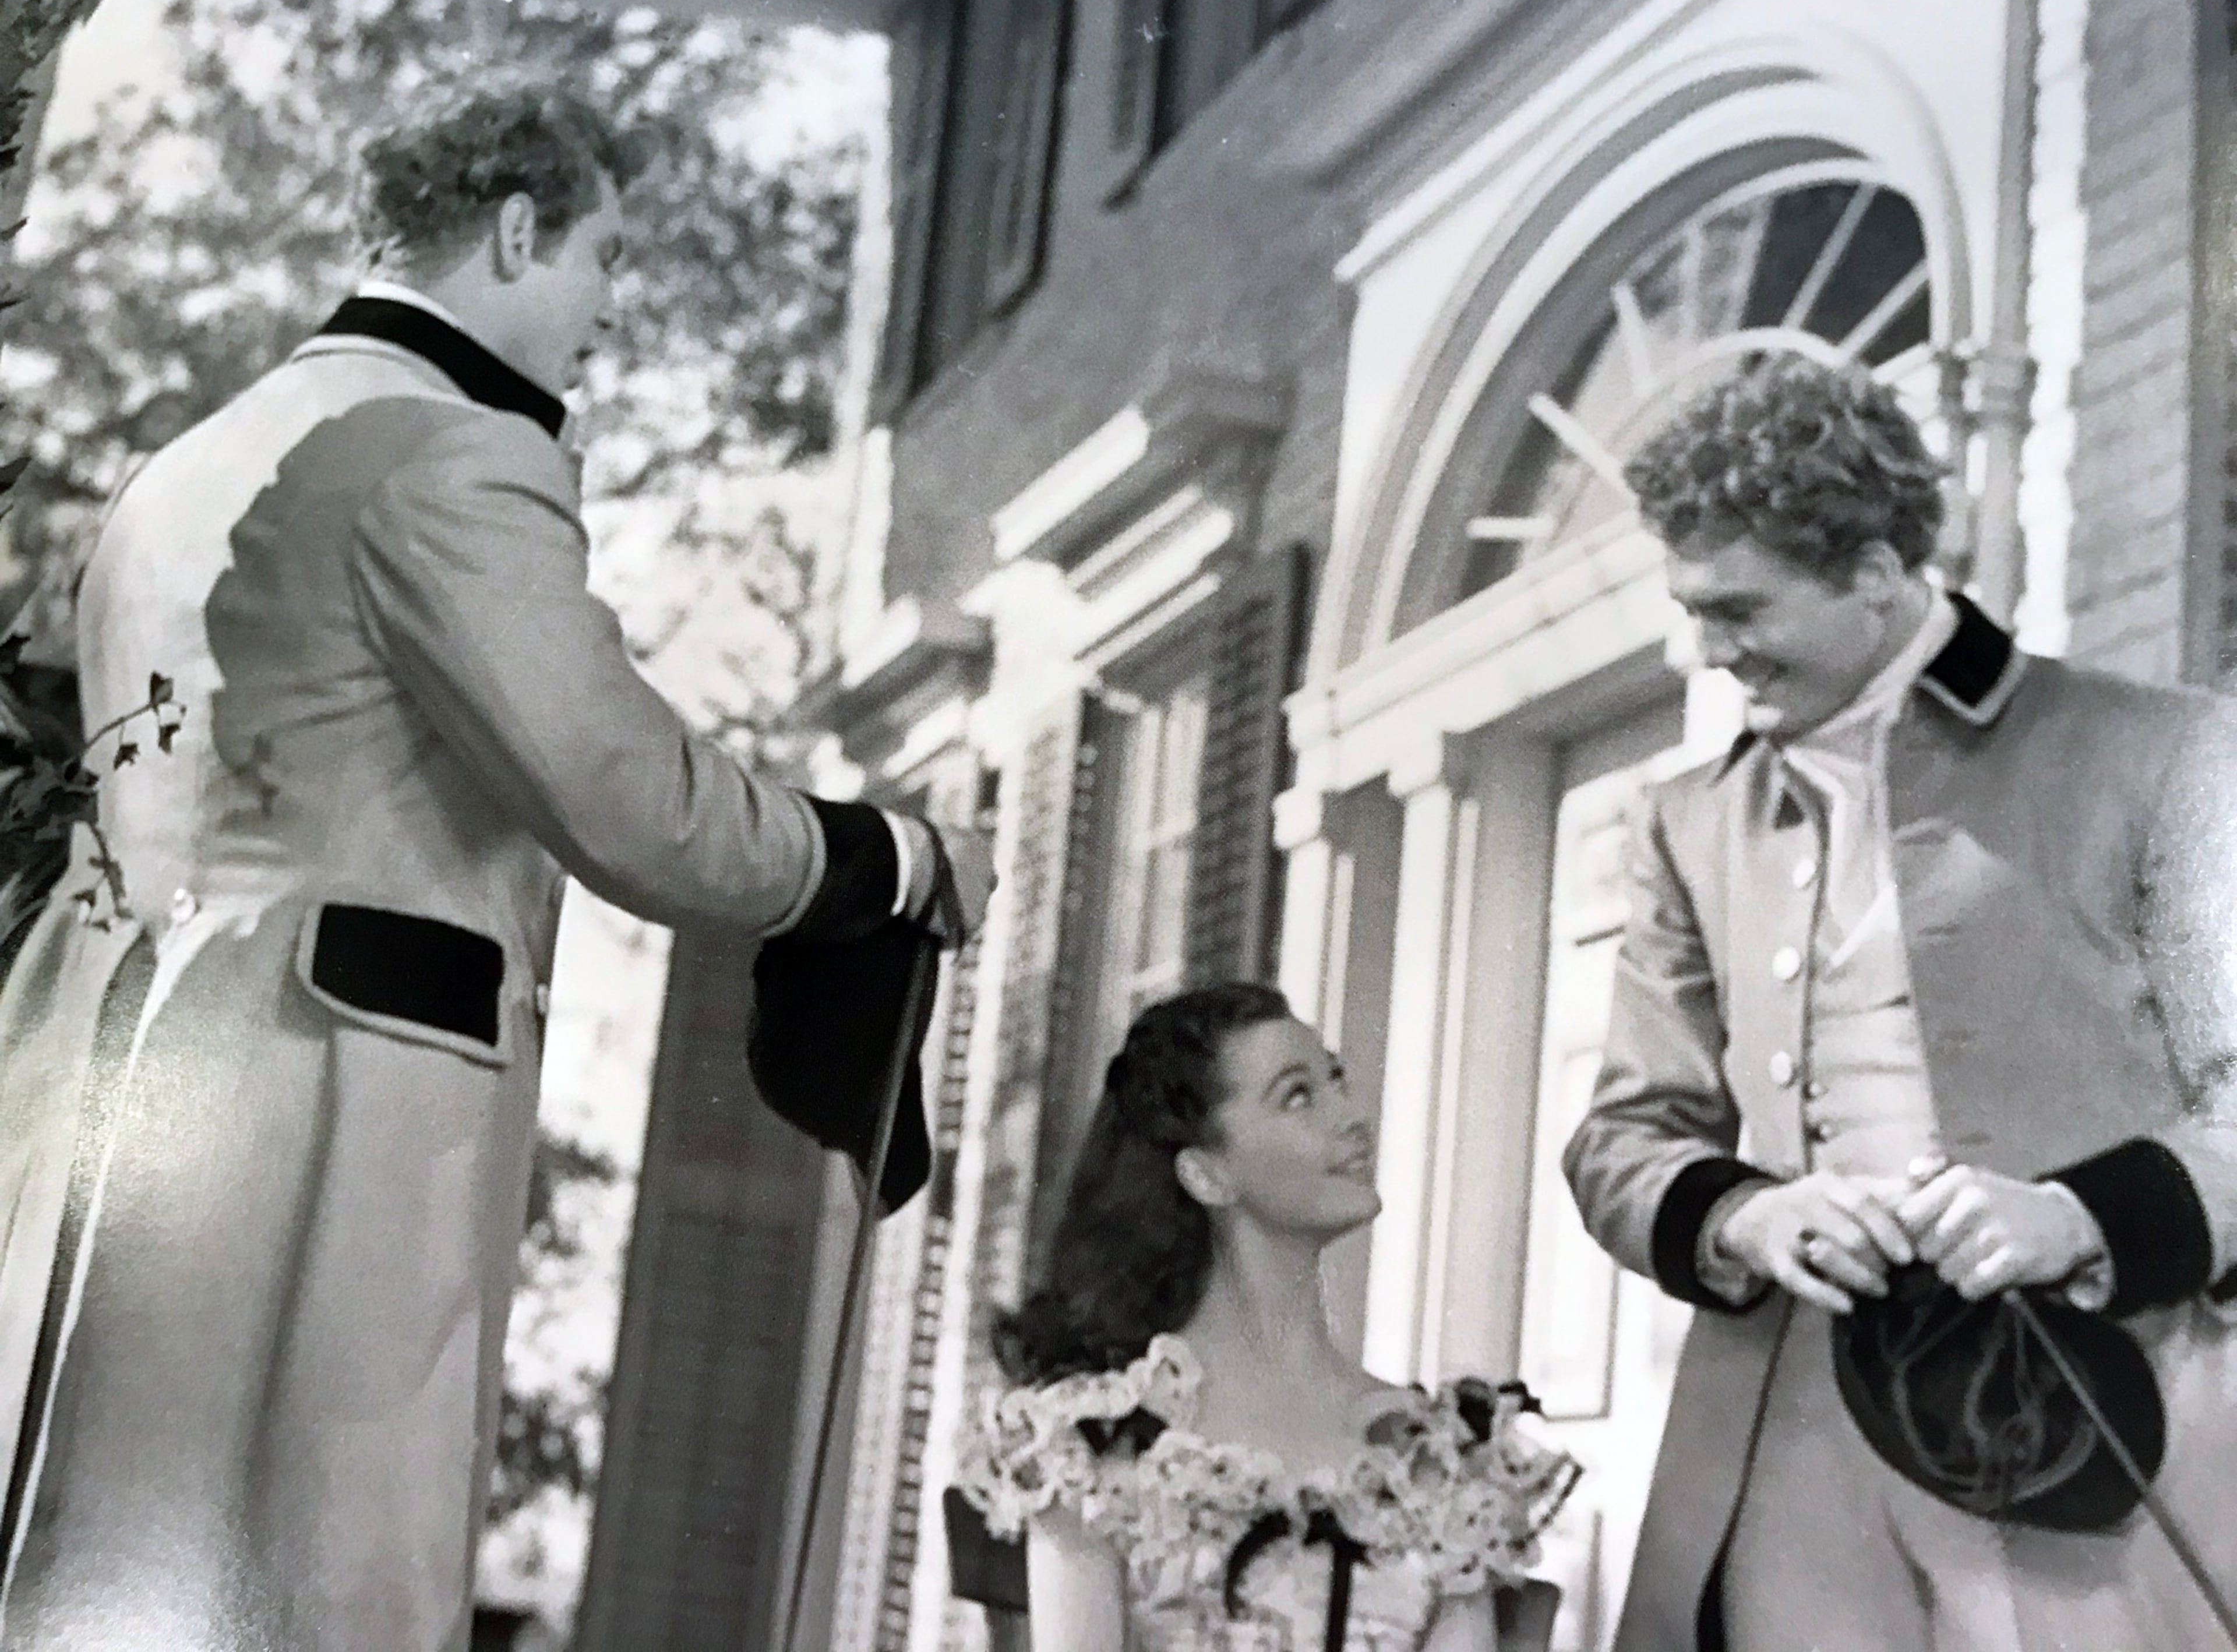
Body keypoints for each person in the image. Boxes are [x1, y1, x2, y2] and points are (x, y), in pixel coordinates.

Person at [0, 82, 992, 1651]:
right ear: (519, 232)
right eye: (605, 255)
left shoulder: (187, 462)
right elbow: (631, 798)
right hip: (332, 1104)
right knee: (321, 1583)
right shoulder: (449, 453)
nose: (611, 305)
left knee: (106, 1555)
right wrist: (884, 858)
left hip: (99, 1097)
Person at [1562, 353, 2237, 1650]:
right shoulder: (1688, 822)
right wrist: (1748, 1216)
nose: (1706, 651)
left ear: (1875, 573)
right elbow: (1623, 1140)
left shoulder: (2161, 753)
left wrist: (2079, 1214)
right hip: (1795, 1435)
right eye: (1692, 609)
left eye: (1737, 608)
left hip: (2096, 1414)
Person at [955, 982, 1577, 1652]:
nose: (1353, 1118)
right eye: (1299, 1096)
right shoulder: (1099, 1444)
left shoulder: (1433, 1457)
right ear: (1207, 1174)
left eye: (1337, 1080)